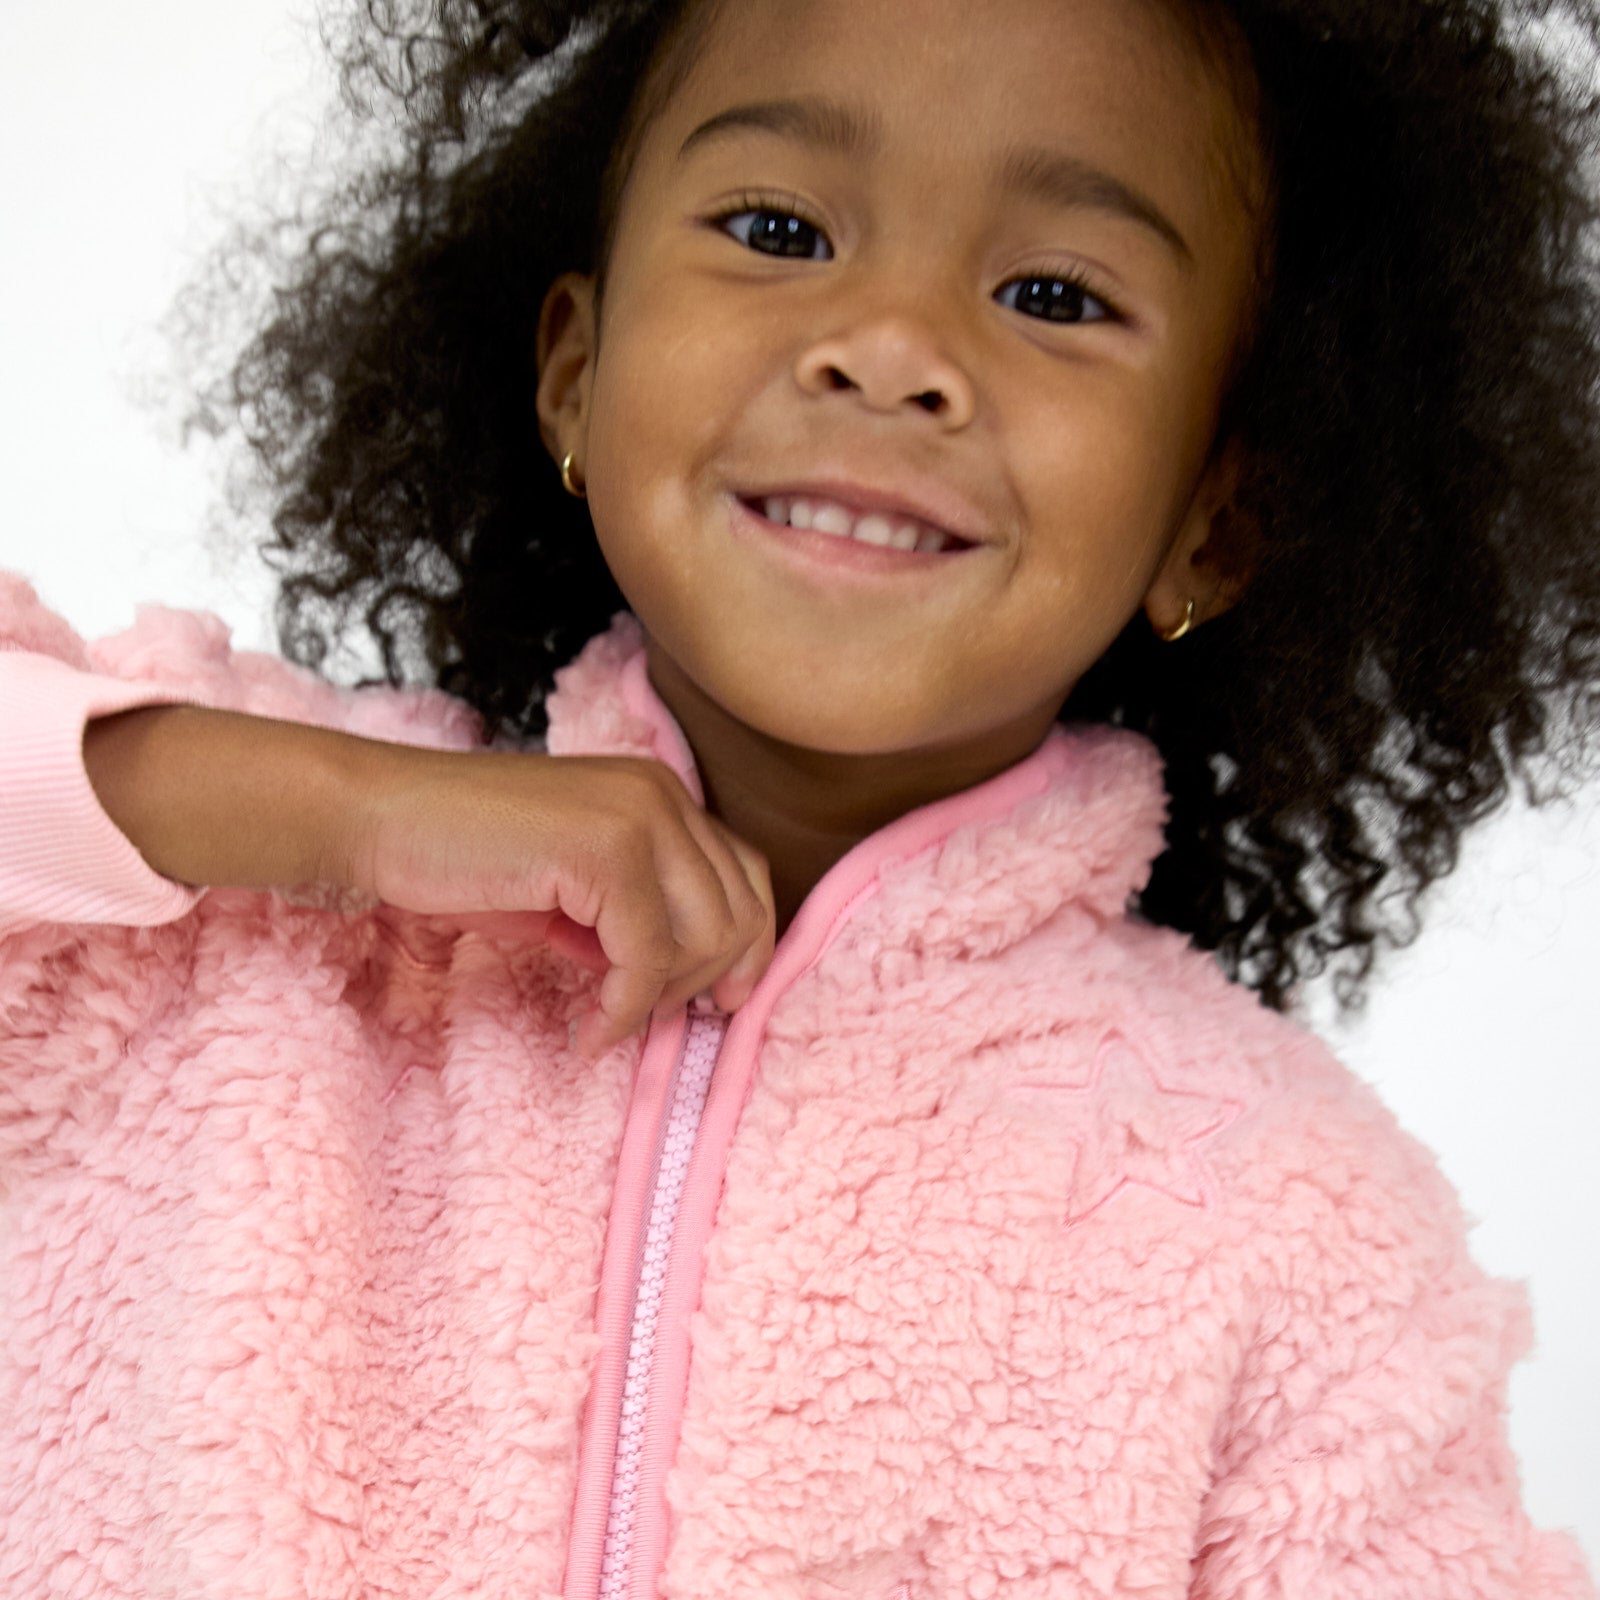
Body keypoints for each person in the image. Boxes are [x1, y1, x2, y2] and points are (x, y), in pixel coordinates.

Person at [1, 0, 1596, 1593]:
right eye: (778, 227)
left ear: (1213, 522)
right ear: (575, 369)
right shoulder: (213, 901)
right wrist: (338, 818)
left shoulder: (1285, 1221)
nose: (894, 349)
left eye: (1053, 294)